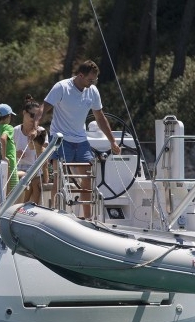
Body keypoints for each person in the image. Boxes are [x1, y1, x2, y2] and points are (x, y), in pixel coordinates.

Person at [39, 60, 120, 218]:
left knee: (88, 176)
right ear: (80, 75)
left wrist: (112, 141)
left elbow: (100, 117)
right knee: (59, 177)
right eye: (90, 80)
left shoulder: (93, 91)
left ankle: (87, 217)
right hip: (61, 138)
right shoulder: (62, 87)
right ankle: (54, 213)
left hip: (81, 140)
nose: (93, 83)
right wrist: (35, 126)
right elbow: (44, 108)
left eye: (95, 80)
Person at [14, 95, 49, 204]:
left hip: (36, 170)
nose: (34, 119)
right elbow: (6, 153)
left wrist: (37, 144)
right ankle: (25, 207)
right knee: (29, 180)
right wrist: (15, 153)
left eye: (37, 117)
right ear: (24, 113)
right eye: (32, 115)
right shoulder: (15, 131)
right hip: (19, 168)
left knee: (34, 181)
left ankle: (26, 207)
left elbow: (45, 159)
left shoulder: (41, 132)